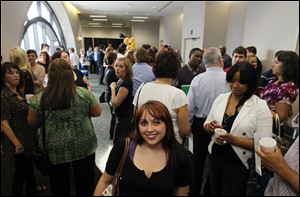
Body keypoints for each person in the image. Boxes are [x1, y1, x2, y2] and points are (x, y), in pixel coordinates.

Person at [27, 58, 102, 195]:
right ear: (70, 74)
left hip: (54, 146)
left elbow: (32, 123)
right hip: (83, 142)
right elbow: (97, 112)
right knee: (85, 181)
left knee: (58, 183)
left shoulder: (40, 97)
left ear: (51, 75)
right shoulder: (83, 93)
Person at [93, 100, 192, 196]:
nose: (149, 129)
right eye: (144, 123)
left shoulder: (179, 155)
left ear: (167, 124)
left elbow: (182, 190)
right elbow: (105, 181)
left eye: (156, 122)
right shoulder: (123, 147)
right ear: (138, 126)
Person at [203, 62, 273, 196]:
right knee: (214, 190)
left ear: (250, 83)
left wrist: (232, 139)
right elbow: (206, 123)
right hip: (215, 157)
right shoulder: (221, 98)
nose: (235, 86)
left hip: (238, 164)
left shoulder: (260, 106)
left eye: (241, 82)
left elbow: (263, 144)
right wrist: (209, 126)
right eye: (232, 81)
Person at [188, 47, 230, 196]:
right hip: (222, 124)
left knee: (197, 162)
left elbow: (190, 108)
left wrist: (189, 127)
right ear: (220, 60)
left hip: (200, 124)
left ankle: (193, 191)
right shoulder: (228, 79)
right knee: (217, 160)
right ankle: (210, 191)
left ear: (204, 63)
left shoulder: (197, 80)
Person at [1, 62, 45, 195]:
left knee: (27, 168)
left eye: (16, 72)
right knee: (17, 175)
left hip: (27, 137)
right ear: (3, 77)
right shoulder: (4, 95)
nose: (15, 75)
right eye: (10, 73)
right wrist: (17, 143)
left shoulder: (17, 91)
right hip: (15, 140)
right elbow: (4, 123)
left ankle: (32, 187)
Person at [133, 50, 191, 144]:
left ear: (154, 68)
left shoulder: (142, 87)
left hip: (145, 142)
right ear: (176, 70)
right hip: (170, 146)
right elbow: (184, 130)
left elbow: (136, 115)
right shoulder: (178, 94)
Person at [257, 50, 299, 122]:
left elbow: (279, 117)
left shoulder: (287, 88)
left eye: (276, 62)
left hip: (270, 127)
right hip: (260, 120)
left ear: (287, 67)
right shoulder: (274, 80)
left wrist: (256, 109)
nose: (273, 65)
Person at [110, 57, 134, 142]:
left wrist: (112, 88)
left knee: (118, 143)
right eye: (116, 66)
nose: (117, 68)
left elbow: (115, 103)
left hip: (124, 118)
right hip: (121, 116)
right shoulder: (121, 80)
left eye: (121, 66)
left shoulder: (125, 83)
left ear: (127, 69)